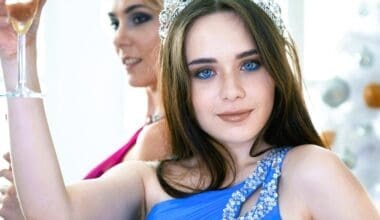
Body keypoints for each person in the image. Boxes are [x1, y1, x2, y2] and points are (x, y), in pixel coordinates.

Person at [2, 0, 380, 219]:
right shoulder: (147, 181)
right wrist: (19, 55)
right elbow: (51, 213)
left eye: (249, 64)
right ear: (182, 85)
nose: (232, 91)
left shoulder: (311, 170)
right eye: (204, 72)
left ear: (275, 73)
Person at [0, 0, 170, 219]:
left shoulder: (160, 137)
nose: (118, 38)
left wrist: (28, 214)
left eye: (139, 18)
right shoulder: (148, 127)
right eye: (114, 22)